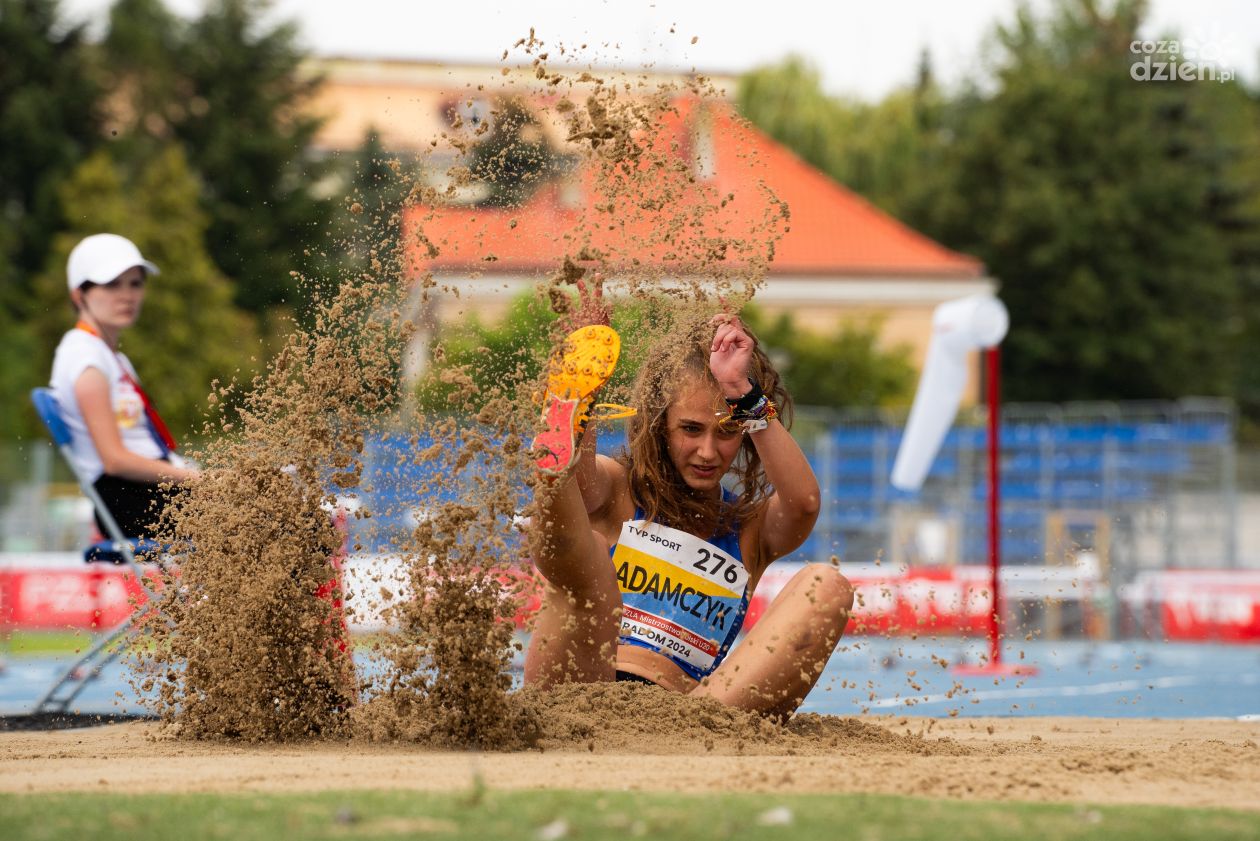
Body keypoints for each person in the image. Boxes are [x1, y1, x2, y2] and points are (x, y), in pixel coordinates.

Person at [525, 309, 853, 718]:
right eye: (691, 429)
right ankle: (560, 438)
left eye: (727, 432)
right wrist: (585, 391)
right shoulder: (619, 489)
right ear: (660, 425)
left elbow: (804, 504)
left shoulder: (750, 528)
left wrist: (742, 393)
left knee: (827, 586)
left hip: (691, 717)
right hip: (580, 694)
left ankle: (558, 457)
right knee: (577, 533)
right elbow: (584, 489)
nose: (708, 452)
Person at [49, 233, 199, 540]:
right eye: (112, 284)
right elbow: (114, 460)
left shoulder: (112, 357)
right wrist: (202, 480)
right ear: (80, 295)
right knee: (279, 517)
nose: (127, 295)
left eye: (135, 283)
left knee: (287, 509)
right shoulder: (85, 357)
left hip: (153, 491)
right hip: (129, 501)